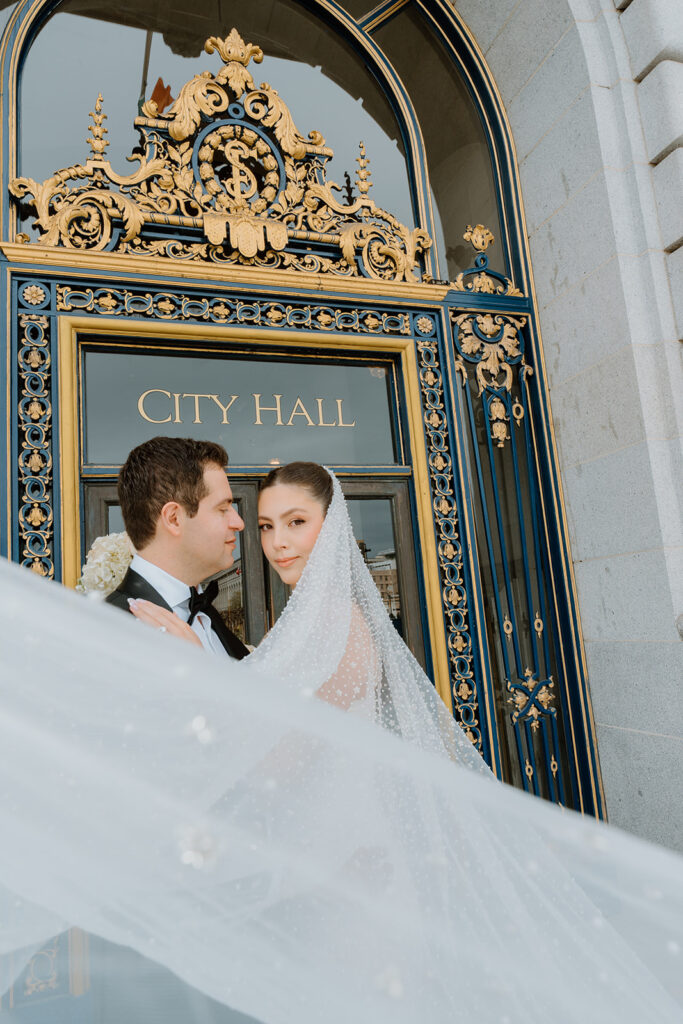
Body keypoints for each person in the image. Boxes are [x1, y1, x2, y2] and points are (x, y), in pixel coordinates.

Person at [1, 464, 683, 1023]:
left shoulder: (344, 624)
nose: (274, 540)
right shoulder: (295, 630)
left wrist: (202, 674)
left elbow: (288, 754)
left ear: (333, 528)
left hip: (356, 864)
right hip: (310, 865)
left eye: (296, 523)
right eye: (265, 525)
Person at [106, 436, 249, 660]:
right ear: (173, 518)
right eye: (223, 509)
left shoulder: (209, 615)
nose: (239, 523)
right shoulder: (113, 631)